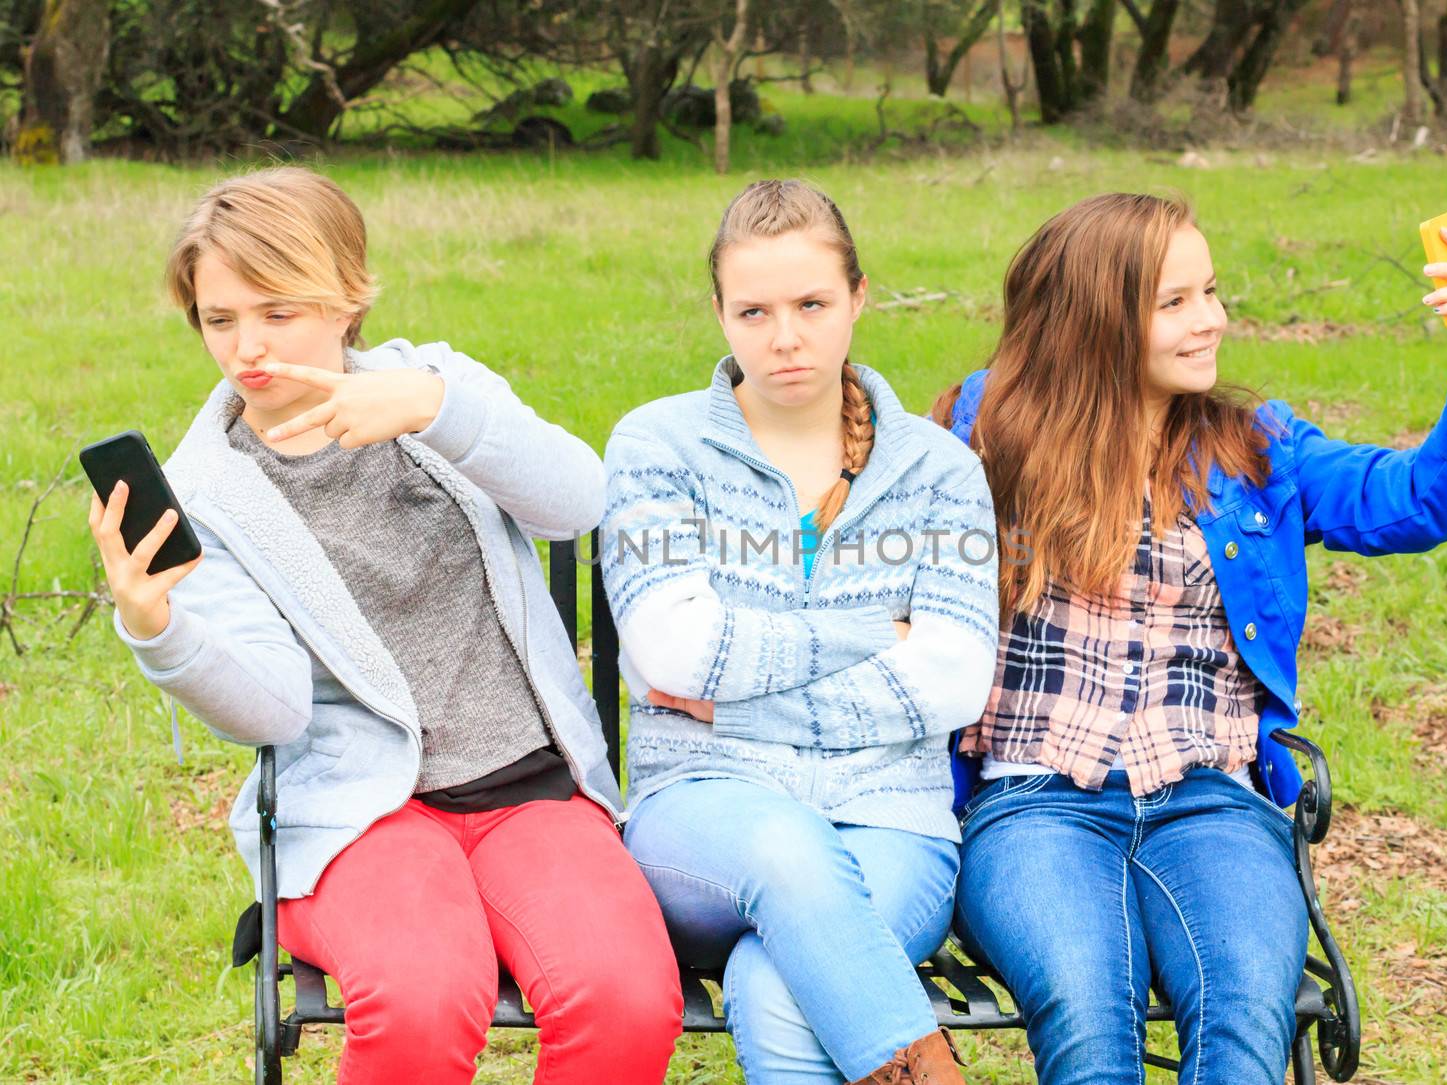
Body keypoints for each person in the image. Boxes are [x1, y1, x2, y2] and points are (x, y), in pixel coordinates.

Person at [89, 166, 682, 1085]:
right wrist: (158, 625)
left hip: (529, 787)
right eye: (219, 318)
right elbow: (276, 709)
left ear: (346, 293)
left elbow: (576, 499)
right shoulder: (210, 490)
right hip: (363, 812)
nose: (246, 347)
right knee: (418, 1002)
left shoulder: (431, 385)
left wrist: (437, 410)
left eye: (277, 311)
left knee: (626, 1001)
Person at [934, 192, 1447, 1085]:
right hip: (1033, 804)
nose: (1211, 320)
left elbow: (1414, 498)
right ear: (1095, 317)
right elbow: (851, 515)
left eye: (1210, 292)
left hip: (1210, 802)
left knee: (1245, 1014)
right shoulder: (988, 430)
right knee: (1091, 1018)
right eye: (1174, 302)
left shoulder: (1256, 449)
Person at [600, 179, 999, 1085]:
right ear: (720, 314)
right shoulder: (658, 447)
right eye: (755, 310)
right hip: (702, 812)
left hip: (889, 820)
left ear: (859, 297)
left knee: (775, 981)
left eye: (812, 304)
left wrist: (730, 703)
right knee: (786, 849)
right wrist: (876, 631)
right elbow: (674, 652)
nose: (785, 337)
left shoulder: (939, 470)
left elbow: (954, 678)